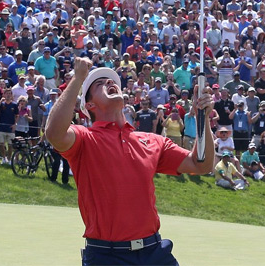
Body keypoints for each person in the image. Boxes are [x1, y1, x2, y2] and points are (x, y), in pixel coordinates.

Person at [45, 58, 215, 266]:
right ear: (89, 105)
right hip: (106, 256)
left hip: (154, 252)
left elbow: (202, 165)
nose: (109, 83)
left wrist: (202, 117)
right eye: (100, 84)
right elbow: (54, 133)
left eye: (111, 81)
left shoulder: (152, 141)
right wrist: (79, 78)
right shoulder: (84, 138)